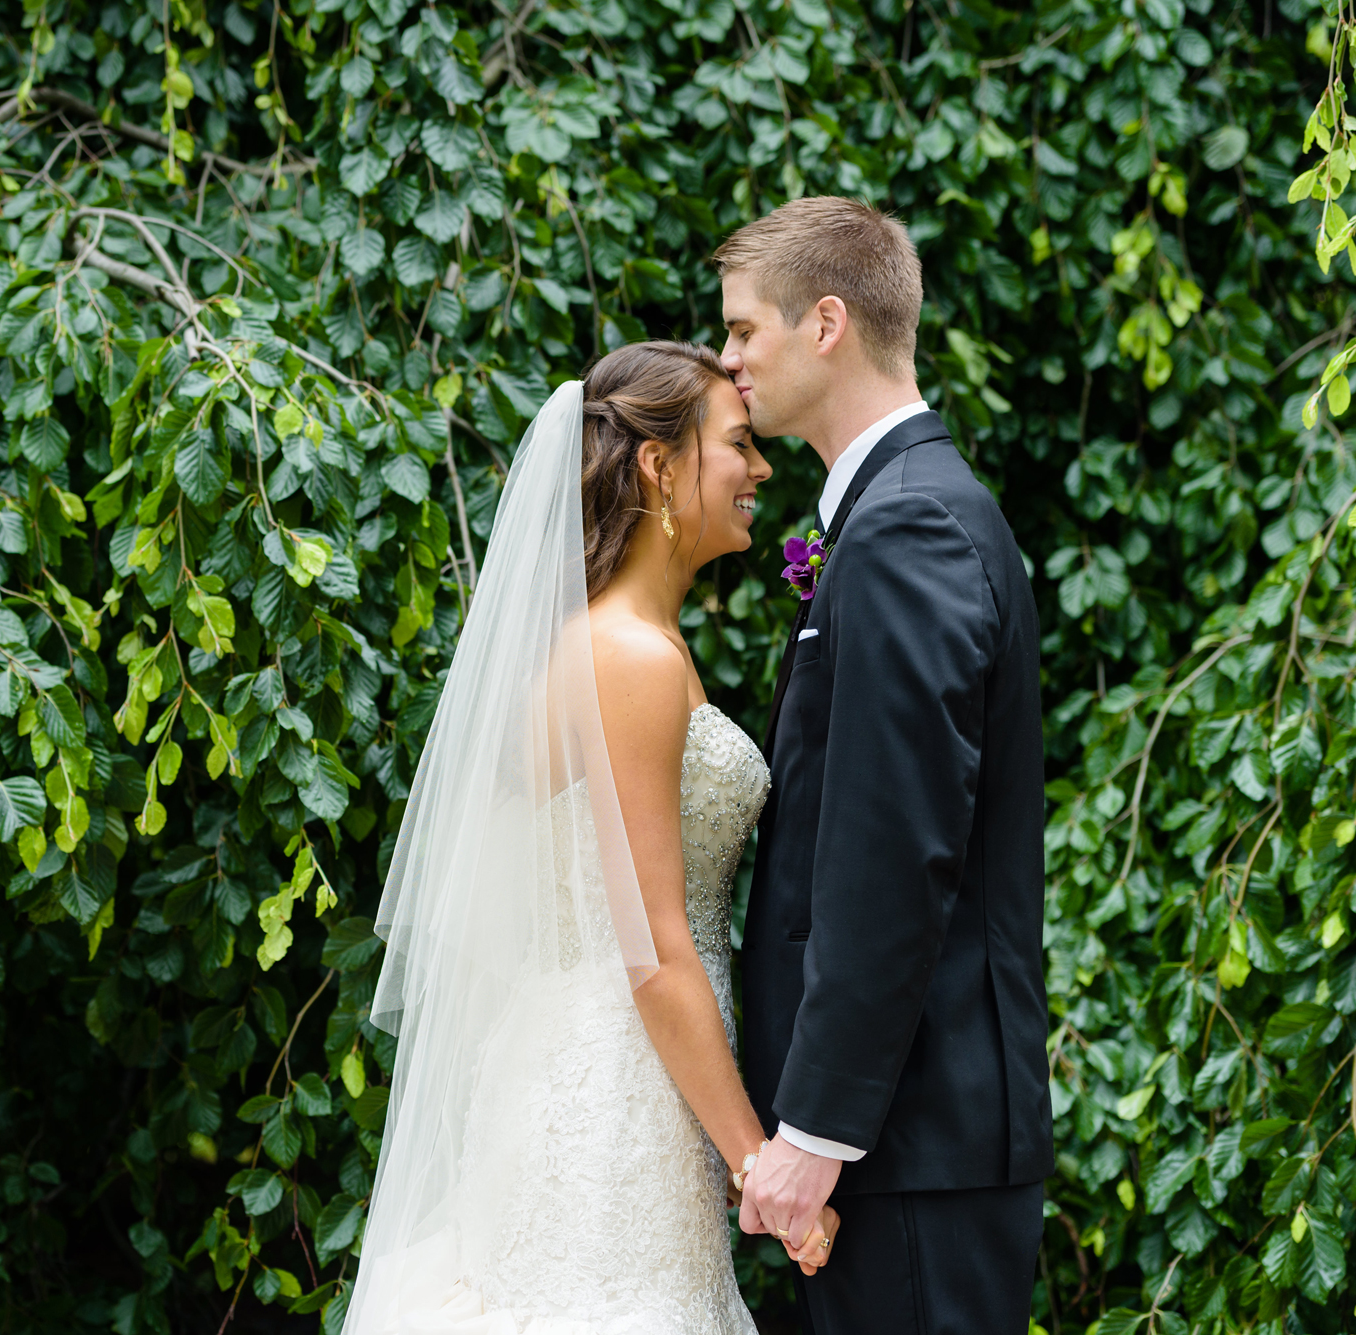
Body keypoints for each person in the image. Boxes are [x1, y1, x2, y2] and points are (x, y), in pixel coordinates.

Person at [346, 342, 838, 1334]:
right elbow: (653, 951)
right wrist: (761, 1167)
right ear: (658, 466)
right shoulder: (627, 657)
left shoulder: (614, 646)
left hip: (602, 1072)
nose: (762, 470)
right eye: (738, 445)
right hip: (612, 1095)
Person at [719, 197, 1052, 1333]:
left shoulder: (907, 527)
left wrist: (812, 1134)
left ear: (823, 323)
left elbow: (890, 853)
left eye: (741, 331)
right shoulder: (888, 514)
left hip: (909, 1143)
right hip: (902, 1145)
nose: (726, 361)